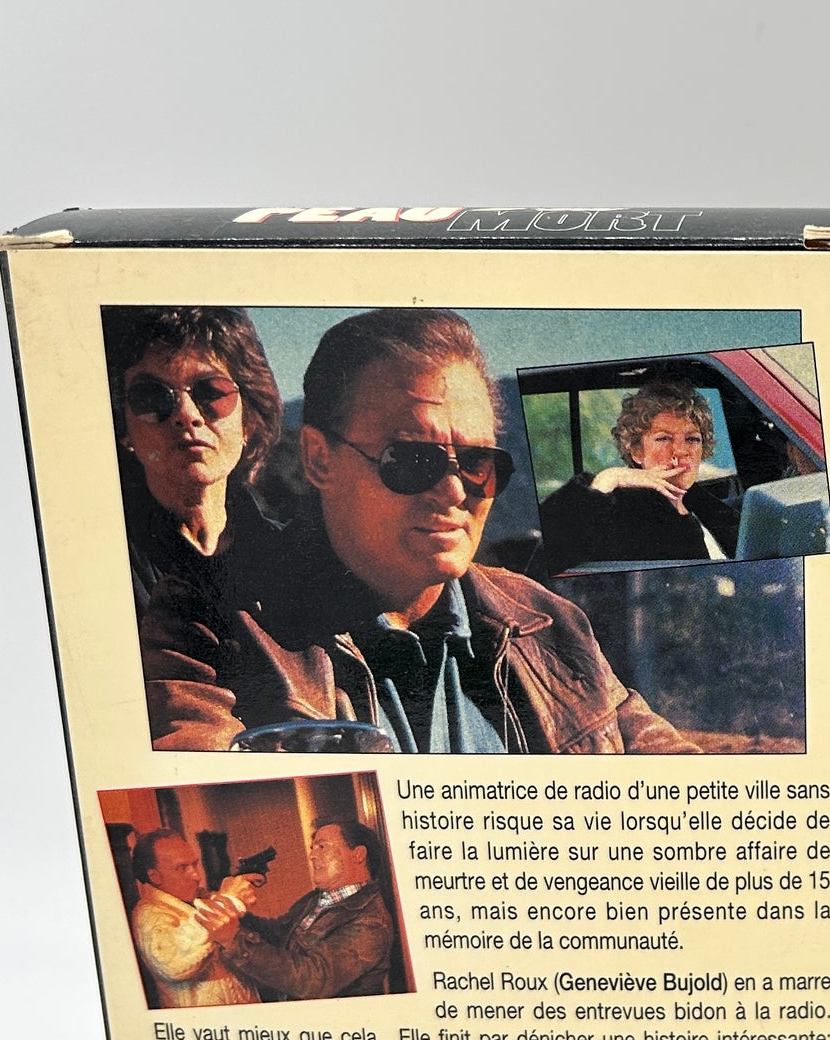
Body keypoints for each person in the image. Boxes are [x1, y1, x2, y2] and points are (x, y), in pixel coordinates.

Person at [142, 308, 697, 756]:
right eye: (410, 460)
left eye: (478, 463)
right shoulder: (209, 626)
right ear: (319, 458)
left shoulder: (548, 623)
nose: (454, 491)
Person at [104, 307, 285, 616]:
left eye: (211, 392)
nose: (187, 415)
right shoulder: (101, 560)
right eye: (153, 397)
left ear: (248, 423)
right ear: (124, 429)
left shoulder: (293, 560)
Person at [535, 378, 741, 570]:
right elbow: (546, 552)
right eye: (664, 439)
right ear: (637, 451)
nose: (681, 451)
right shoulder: (621, 515)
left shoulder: (711, 511)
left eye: (692, 439)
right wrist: (610, 477)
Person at [207, 818, 401, 999]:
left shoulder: (371, 922)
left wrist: (233, 940)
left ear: (358, 855)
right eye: (312, 848)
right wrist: (233, 908)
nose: (312, 856)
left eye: (322, 847)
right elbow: (278, 931)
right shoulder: (318, 898)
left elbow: (313, 979)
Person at [126, 828, 259, 1009]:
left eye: (195, 864)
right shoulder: (148, 914)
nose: (196, 875)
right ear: (154, 876)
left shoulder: (200, 899)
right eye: (182, 868)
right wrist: (229, 901)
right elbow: (173, 963)